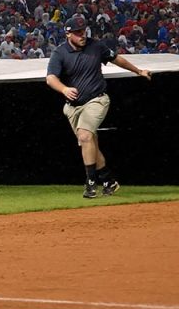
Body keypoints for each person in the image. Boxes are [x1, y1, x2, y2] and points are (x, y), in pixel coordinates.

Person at [46, 14, 152, 199]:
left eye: (83, 30)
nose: (82, 35)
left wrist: (138, 71)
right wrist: (63, 89)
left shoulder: (96, 46)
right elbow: (50, 78)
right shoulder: (60, 53)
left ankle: (90, 182)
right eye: (78, 32)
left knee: (85, 136)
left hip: (97, 99)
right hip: (72, 107)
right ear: (68, 34)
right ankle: (108, 179)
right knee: (90, 143)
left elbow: (117, 59)